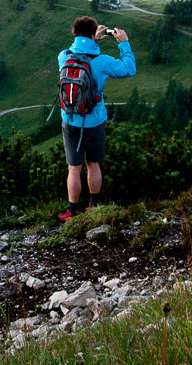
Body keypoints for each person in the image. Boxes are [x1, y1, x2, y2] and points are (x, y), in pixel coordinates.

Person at [56, 16, 135, 221]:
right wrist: (123, 42)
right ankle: (94, 206)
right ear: (93, 34)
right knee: (93, 164)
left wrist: (90, 40)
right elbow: (129, 69)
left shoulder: (63, 56)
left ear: (75, 34)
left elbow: (77, 52)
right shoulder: (102, 62)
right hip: (94, 121)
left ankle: (71, 211)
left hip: (70, 119)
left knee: (74, 168)